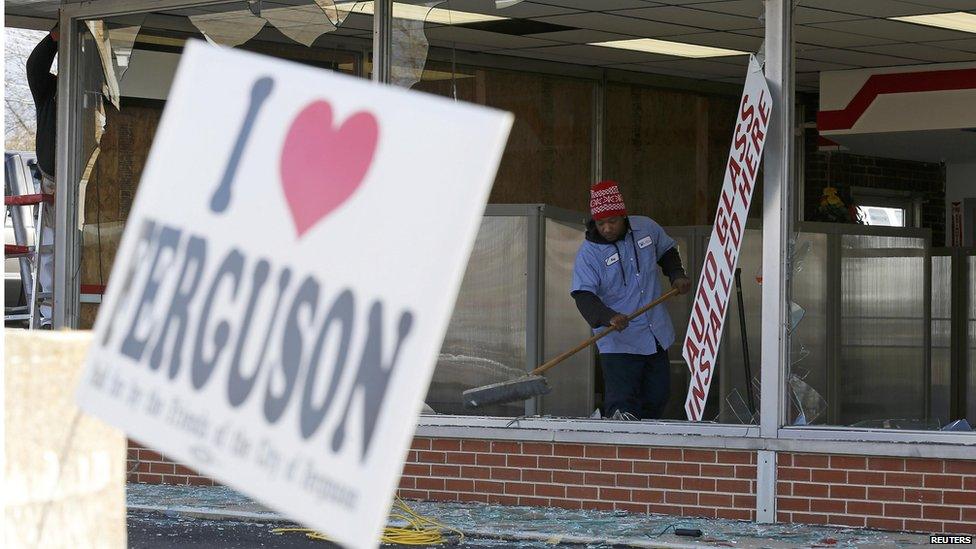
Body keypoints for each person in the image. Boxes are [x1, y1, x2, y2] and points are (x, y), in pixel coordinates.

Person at [570, 180, 691, 421]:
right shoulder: (588, 254)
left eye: (612, 221)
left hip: (655, 333)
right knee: (623, 407)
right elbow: (583, 295)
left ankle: (644, 448)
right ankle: (616, 446)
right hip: (619, 341)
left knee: (658, 396)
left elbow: (667, 251)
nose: (606, 228)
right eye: (600, 223)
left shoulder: (646, 228)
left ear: (623, 216)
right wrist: (608, 317)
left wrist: (676, 275)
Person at [26, 25, 59, 328]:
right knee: (49, 251)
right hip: (53, 180)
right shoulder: (50, 90)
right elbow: (35, 67)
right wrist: (53, 40)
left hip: (89, 183)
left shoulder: (98, 95)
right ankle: (49, 317)